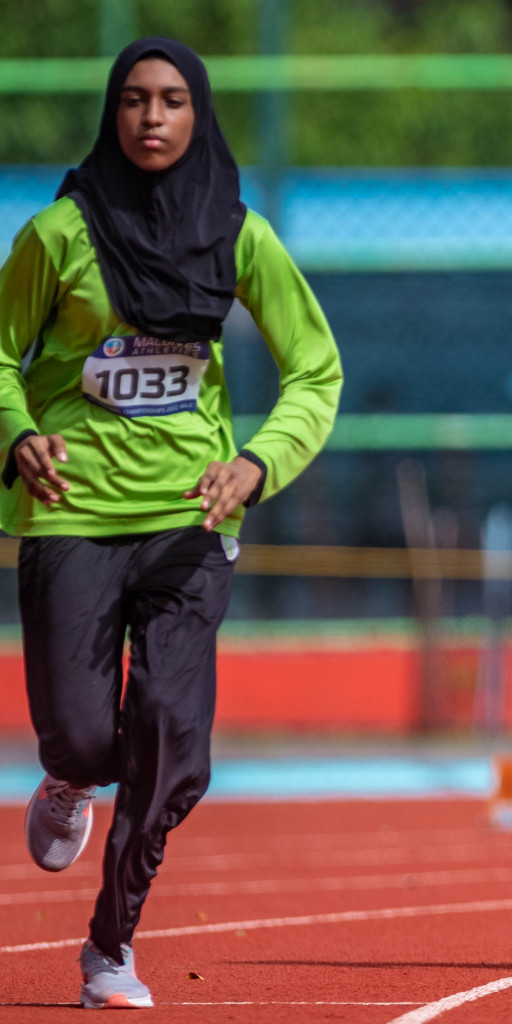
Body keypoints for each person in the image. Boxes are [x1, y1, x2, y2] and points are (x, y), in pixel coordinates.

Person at [0, 39, 342, 1008]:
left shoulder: (239, 236)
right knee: (82, 733)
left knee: (171, 740)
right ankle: (68, 777)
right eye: (137, 101)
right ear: (113, 114)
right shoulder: (58, 235)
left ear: (200, 118)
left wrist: (258, 461)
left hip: (191, 520)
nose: (153, 118)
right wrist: (19, 429)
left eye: (174, 101)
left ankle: (112, 942)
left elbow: (316, 371)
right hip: (74, 517)